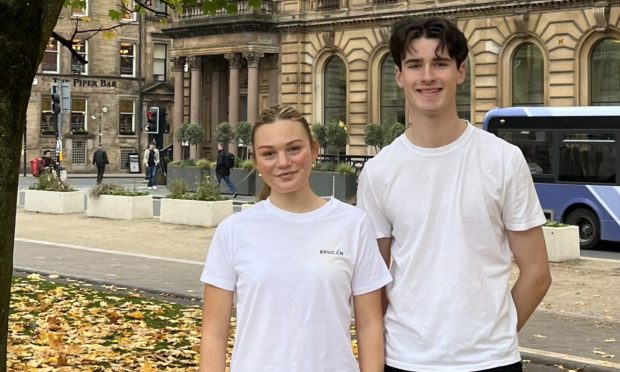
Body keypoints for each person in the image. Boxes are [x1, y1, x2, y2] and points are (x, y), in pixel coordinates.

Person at [356, 16, 552, 372]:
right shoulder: (379, 171)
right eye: (415, 64)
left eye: (440, 63)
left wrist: (496, 337)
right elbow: (373, 280)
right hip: (406, 360)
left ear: (460, 72)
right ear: (399, 75)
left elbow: (537, 272)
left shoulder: (502, 160)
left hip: (491, 362)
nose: (428, 76)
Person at [200, 104, 392, 372]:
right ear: (256, 161)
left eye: (294, 149)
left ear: (313, 150)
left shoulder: (353, 224)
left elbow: (369, 324)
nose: (283, 162)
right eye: (269, 153)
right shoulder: (234, 230)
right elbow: (213, 333)